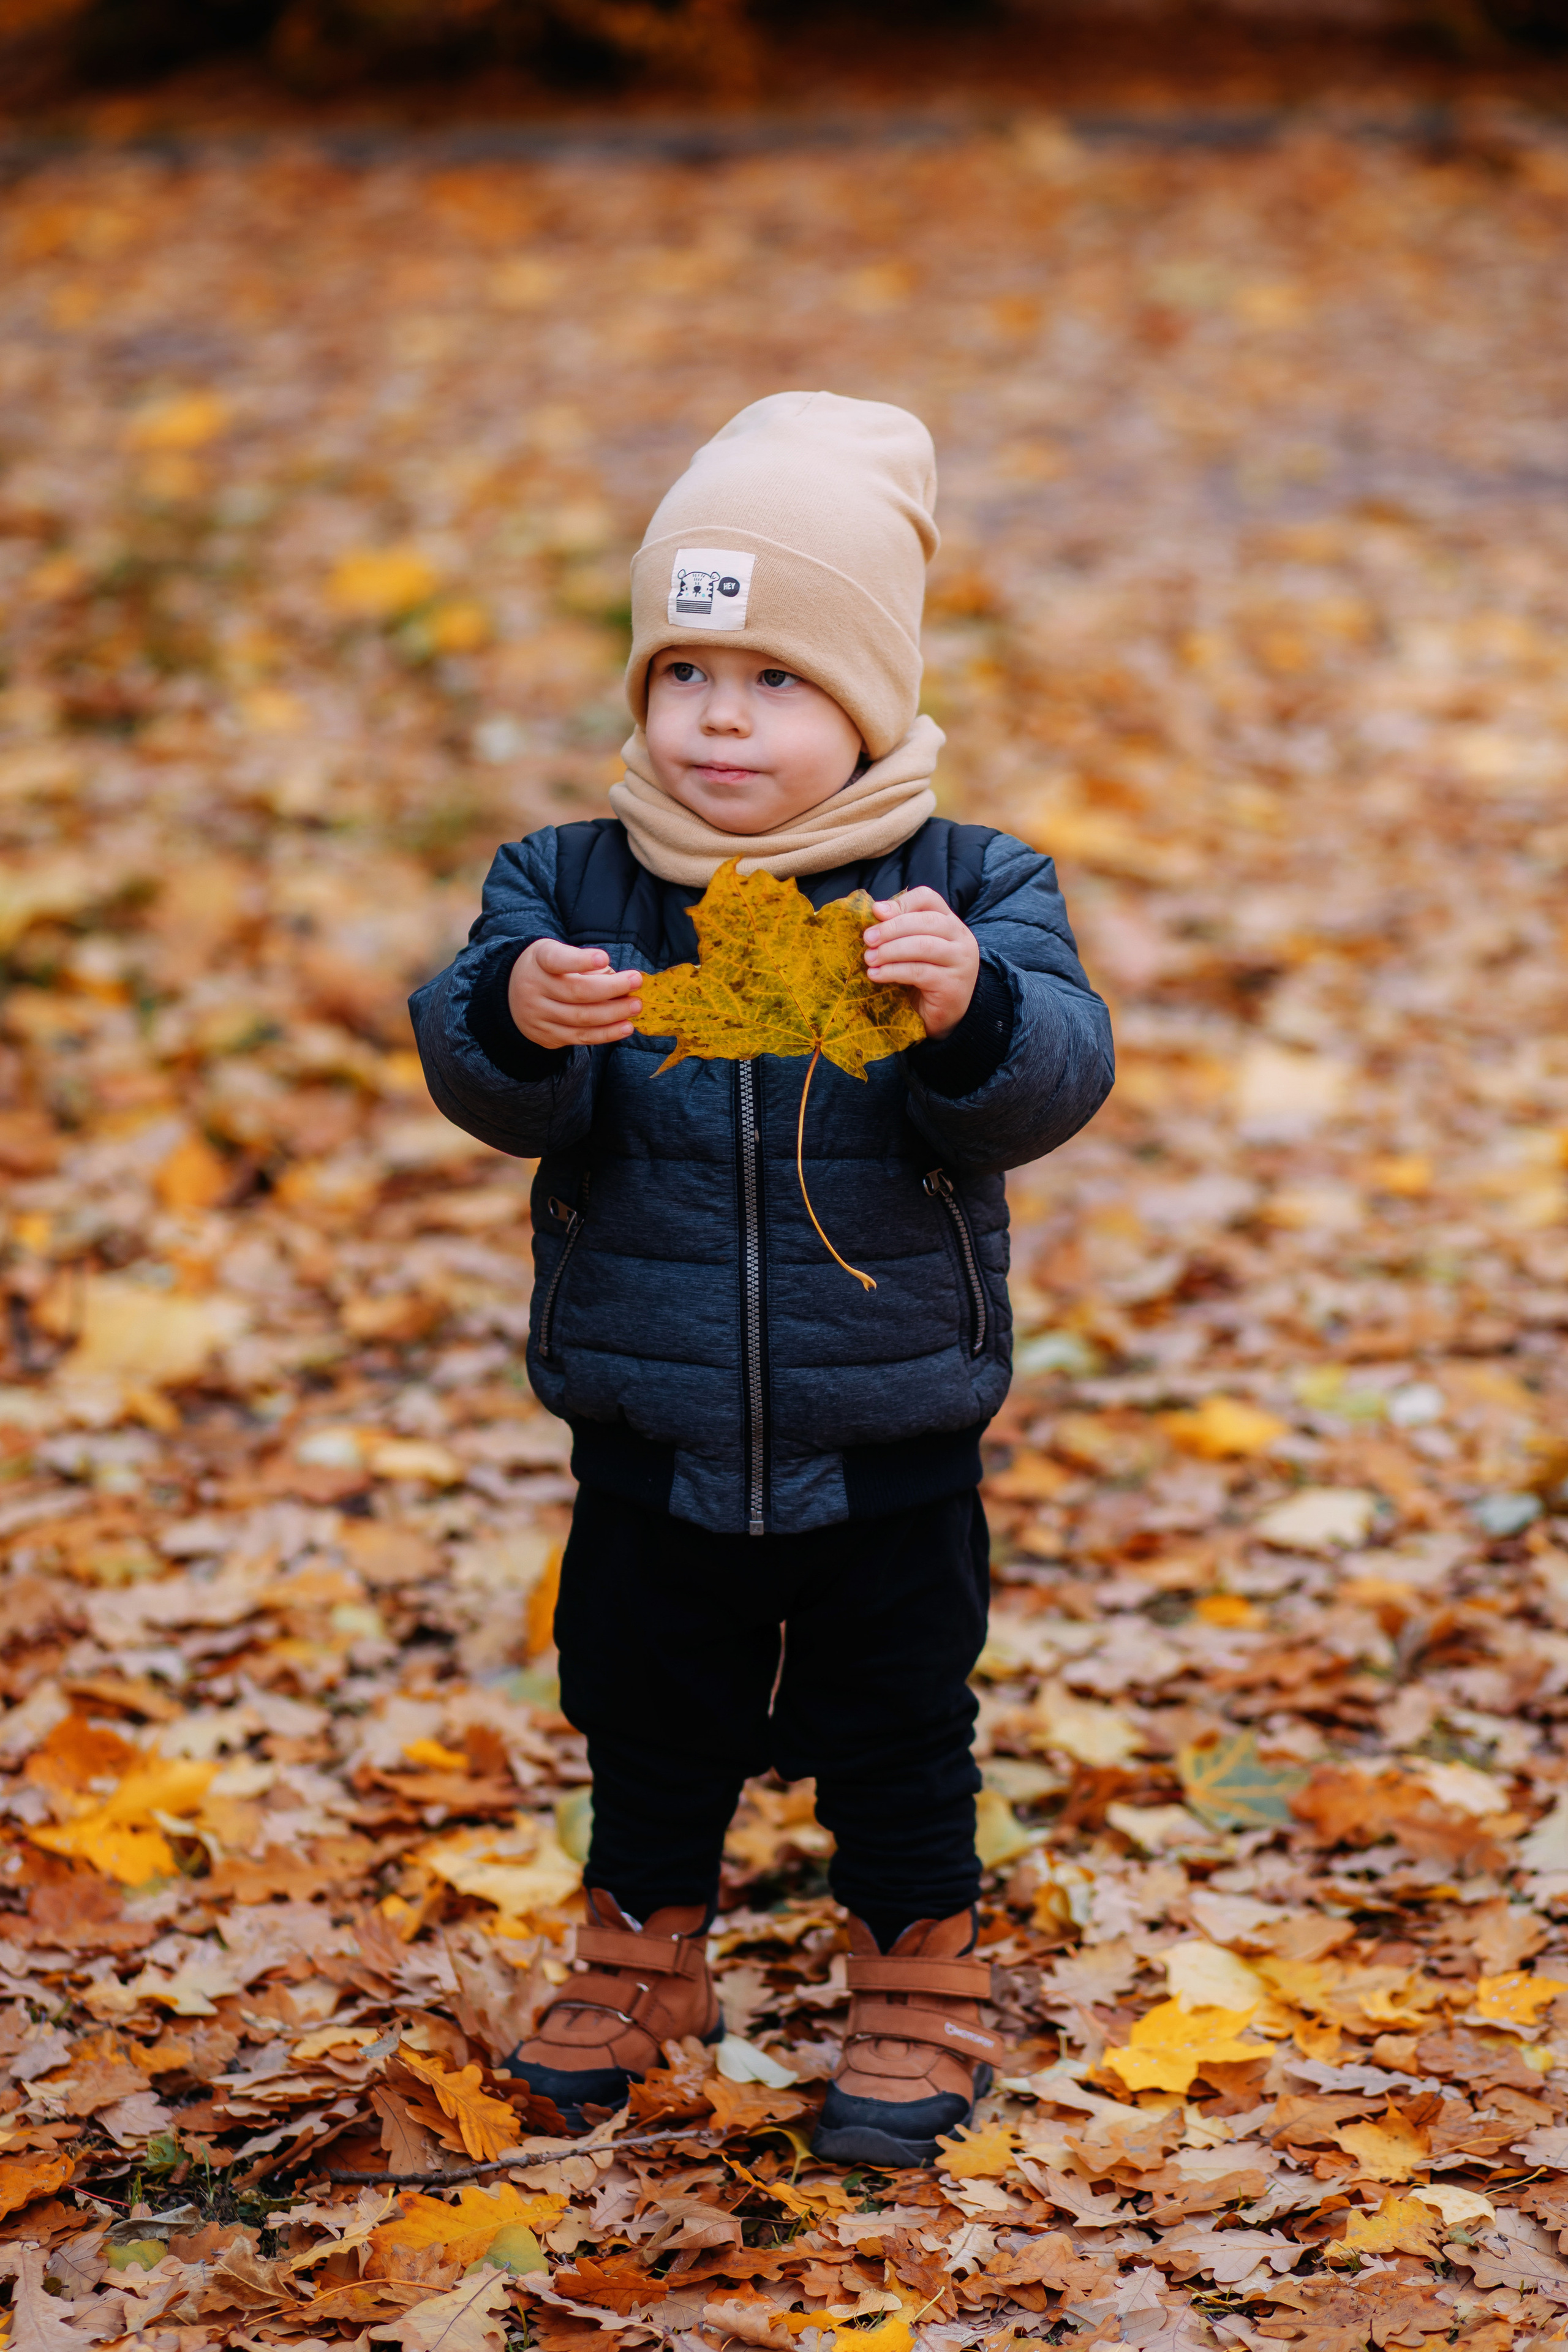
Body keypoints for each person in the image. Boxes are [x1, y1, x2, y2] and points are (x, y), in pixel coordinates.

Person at [410, 391, 1114, 2166]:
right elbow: (482, 1076)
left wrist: (978, 1009)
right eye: (686, 675)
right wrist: (514, 1018)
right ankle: (640, 1949)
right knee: (643, 1702)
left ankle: (916, 1975)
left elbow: (1055, 1085)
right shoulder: (571, 881)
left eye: (778, 680)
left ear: (869, 695)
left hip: (887, 1422)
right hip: (647, 1415)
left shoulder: (967, 885)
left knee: (895, 1712)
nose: (722, 719)